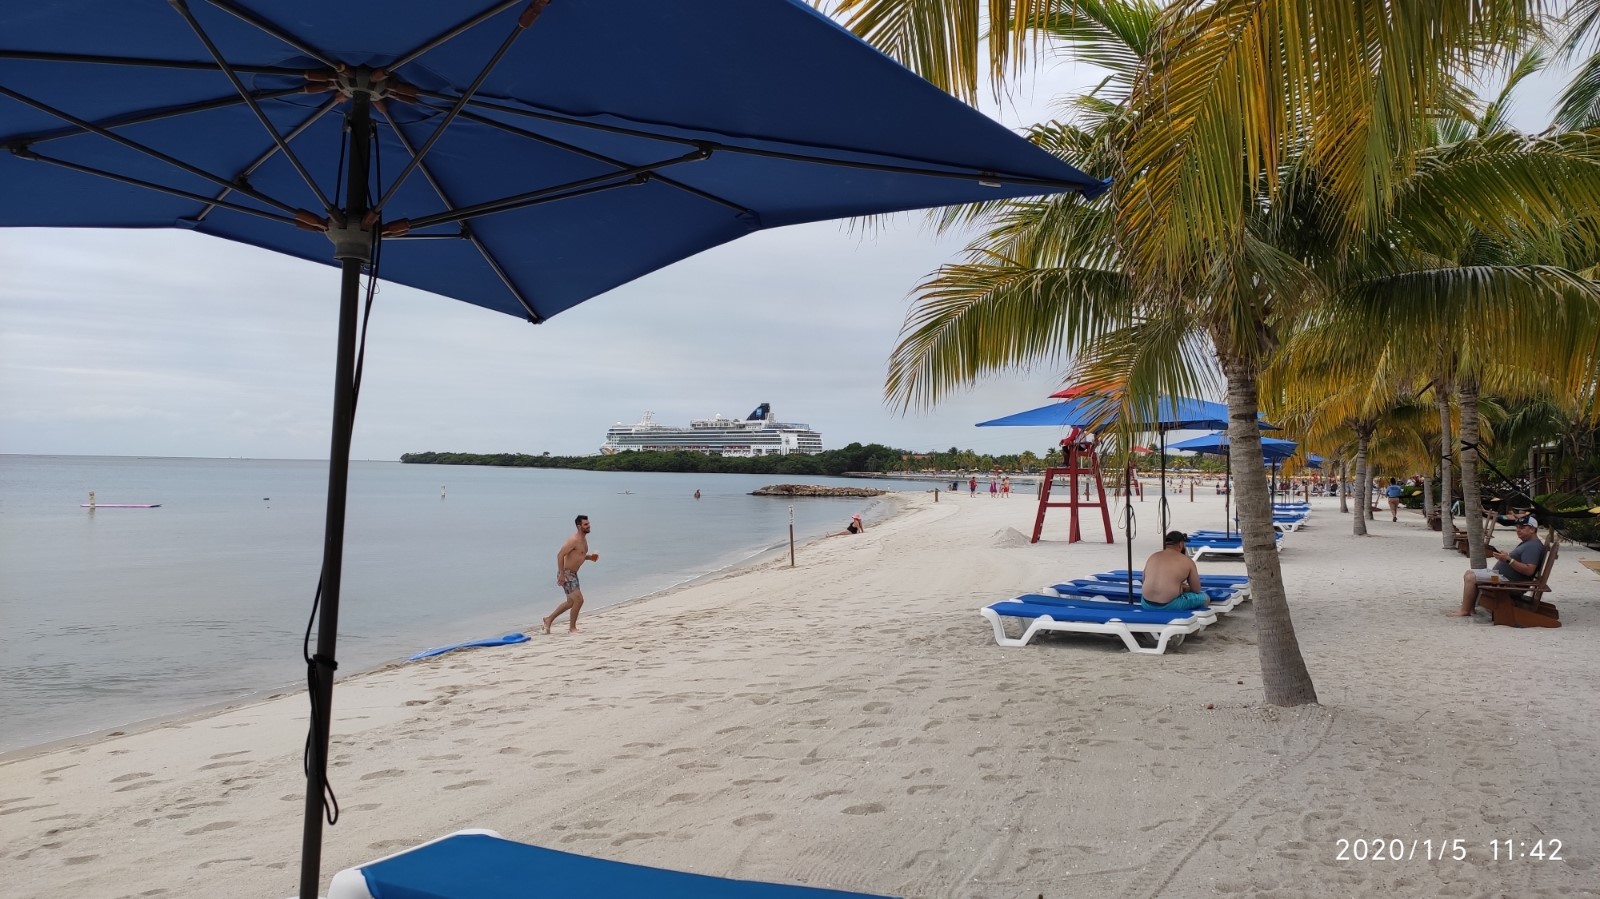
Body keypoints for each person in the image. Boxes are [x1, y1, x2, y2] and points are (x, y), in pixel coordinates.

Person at [1449, 517, 1543, 617]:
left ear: (1532, 529)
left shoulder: (1533, 546)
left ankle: (1465, 611)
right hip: (1503, 579)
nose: (1518, 530)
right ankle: (1470, 609)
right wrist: (1505, 558)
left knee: (1470, 577)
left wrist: (1508, 559)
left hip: (1507, 582)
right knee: (1469, 573)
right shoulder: (1529, 543)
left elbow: (1529, 570)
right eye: (1517, 527)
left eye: (1522, 527)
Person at [543, 514, 598, 634]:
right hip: (567, 574)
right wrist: (561, 574)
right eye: (586, 524)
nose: (589, 526)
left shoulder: (583, 540)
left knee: (570, 602)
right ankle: (572, 628)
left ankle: (548, 619)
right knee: (579, 600)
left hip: (573, 574)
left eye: (588, 523)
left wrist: (590, 557)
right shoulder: (573, 540)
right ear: (579, 526)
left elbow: (579, 555)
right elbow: (560, 555)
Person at [1139, 531, 1210, 612]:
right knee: (1205, 598)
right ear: (1181, 544)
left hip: (1146, 603)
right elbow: (1196, 589)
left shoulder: (1153, 556)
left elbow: (1144, 580)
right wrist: (1183, 588)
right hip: (1170, 605)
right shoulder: (1187, 561)